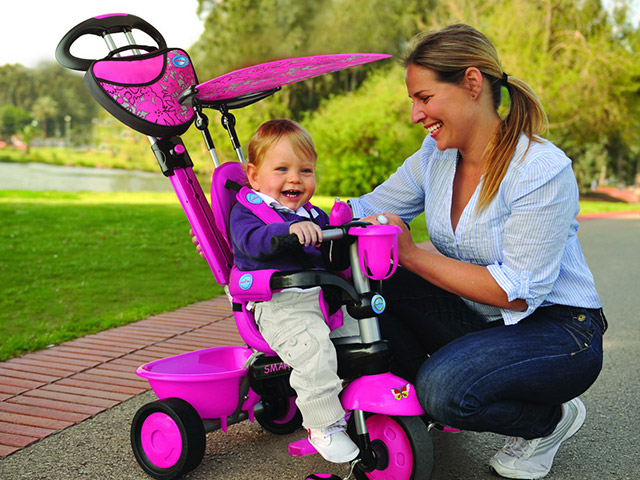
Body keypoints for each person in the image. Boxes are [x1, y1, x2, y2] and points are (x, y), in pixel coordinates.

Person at [348, 24, 607, 480]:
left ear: (471, 84)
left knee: (444, 388)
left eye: (424, 98)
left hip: (562, 330)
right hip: (482, 320)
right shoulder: (433, 158)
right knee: (367, 280)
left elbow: (518, 293)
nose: (415, 114)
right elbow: (363, 210)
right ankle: (428, 397)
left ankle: (549, 421)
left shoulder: (539, 169)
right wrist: (271, 219)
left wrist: (410, 253)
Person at [229, 119, 360, 463]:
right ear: (254, 176)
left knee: (366, 332)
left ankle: (362, 403)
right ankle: (324, 426)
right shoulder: (248, 212)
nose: (295, 179)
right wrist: (287, 229)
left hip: (320, 299)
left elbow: (329, 260)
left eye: (305, 170)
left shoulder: (313, 214)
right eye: (282, 169)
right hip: (276, 304)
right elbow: (252, 243)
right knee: (314, 350)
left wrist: (342, 232)